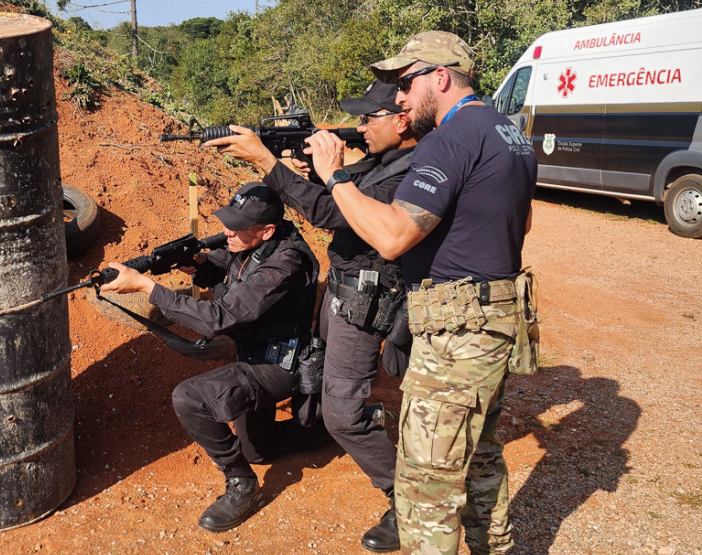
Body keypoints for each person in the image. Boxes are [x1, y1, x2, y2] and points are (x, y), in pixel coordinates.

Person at [301, 31, 537, 554]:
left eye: (405, 84)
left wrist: (334, 176)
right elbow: (513, 224)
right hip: (493, 320)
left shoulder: (449, 140)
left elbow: (391, 237)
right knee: (479, 458)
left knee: (426, 486)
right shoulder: (508, 131)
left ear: (440, 76)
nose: (400, 99)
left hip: (457, 332)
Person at [202, 80, 419, 553]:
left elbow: (329, 214)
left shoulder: (407, 173)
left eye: (368, 118)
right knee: (315, 381)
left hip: (365, 302)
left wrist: (268, 162)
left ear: (402, 120)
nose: (359, 126)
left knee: (342, 413)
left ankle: (408, 502)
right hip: (340, 297)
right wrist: (309, 172)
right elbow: (334, 196)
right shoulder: (383, 161)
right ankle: (337, 425)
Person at [100, 182, 319, 533]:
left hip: (277, 366)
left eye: (237, 226)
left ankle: (243, 487)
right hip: (254, 352)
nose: (227, 231)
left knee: (189, 398)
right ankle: (324, 429)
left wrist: (147, 288)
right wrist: (197, 265)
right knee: (257, 450)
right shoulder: (254, 245)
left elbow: (221, 317)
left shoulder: (286, 263)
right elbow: (227, 271)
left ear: (266, 230)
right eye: (228, 221)